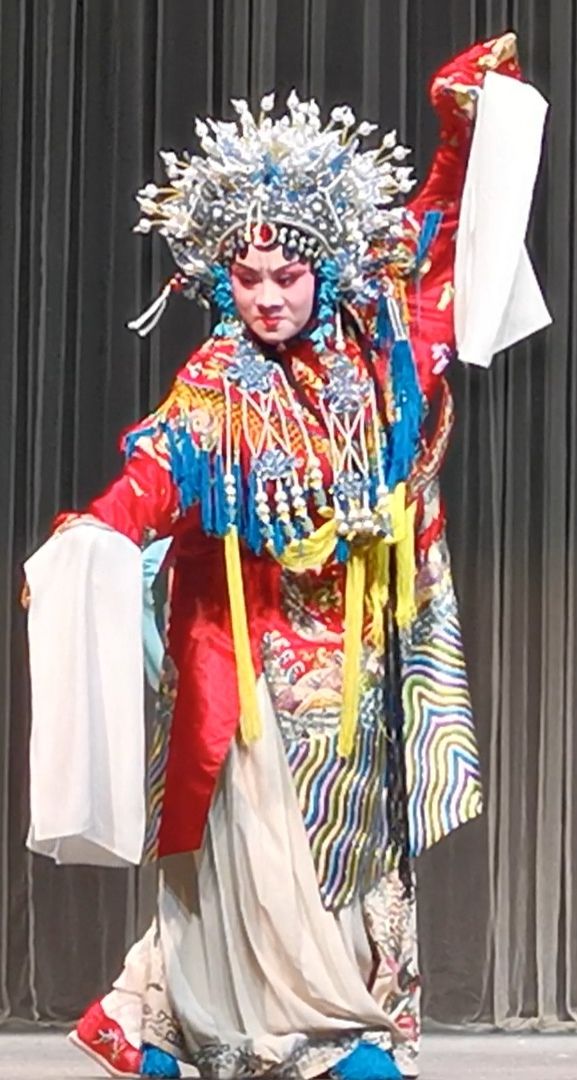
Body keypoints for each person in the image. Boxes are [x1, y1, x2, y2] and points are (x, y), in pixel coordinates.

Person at [24, 33, 549, 1080]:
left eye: (289, 275)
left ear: (325, 267)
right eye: (248, 277)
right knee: (253, 850)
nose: (268, 297)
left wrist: (460, 121)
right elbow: (155, 473)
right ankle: (258, 1027)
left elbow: (441, 230)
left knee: (354, 844)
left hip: (364, 651)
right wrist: (97, 530)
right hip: (251, 653)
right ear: (222, 280)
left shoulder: (380, 340)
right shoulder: (217, 381)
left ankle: (259, 1019)